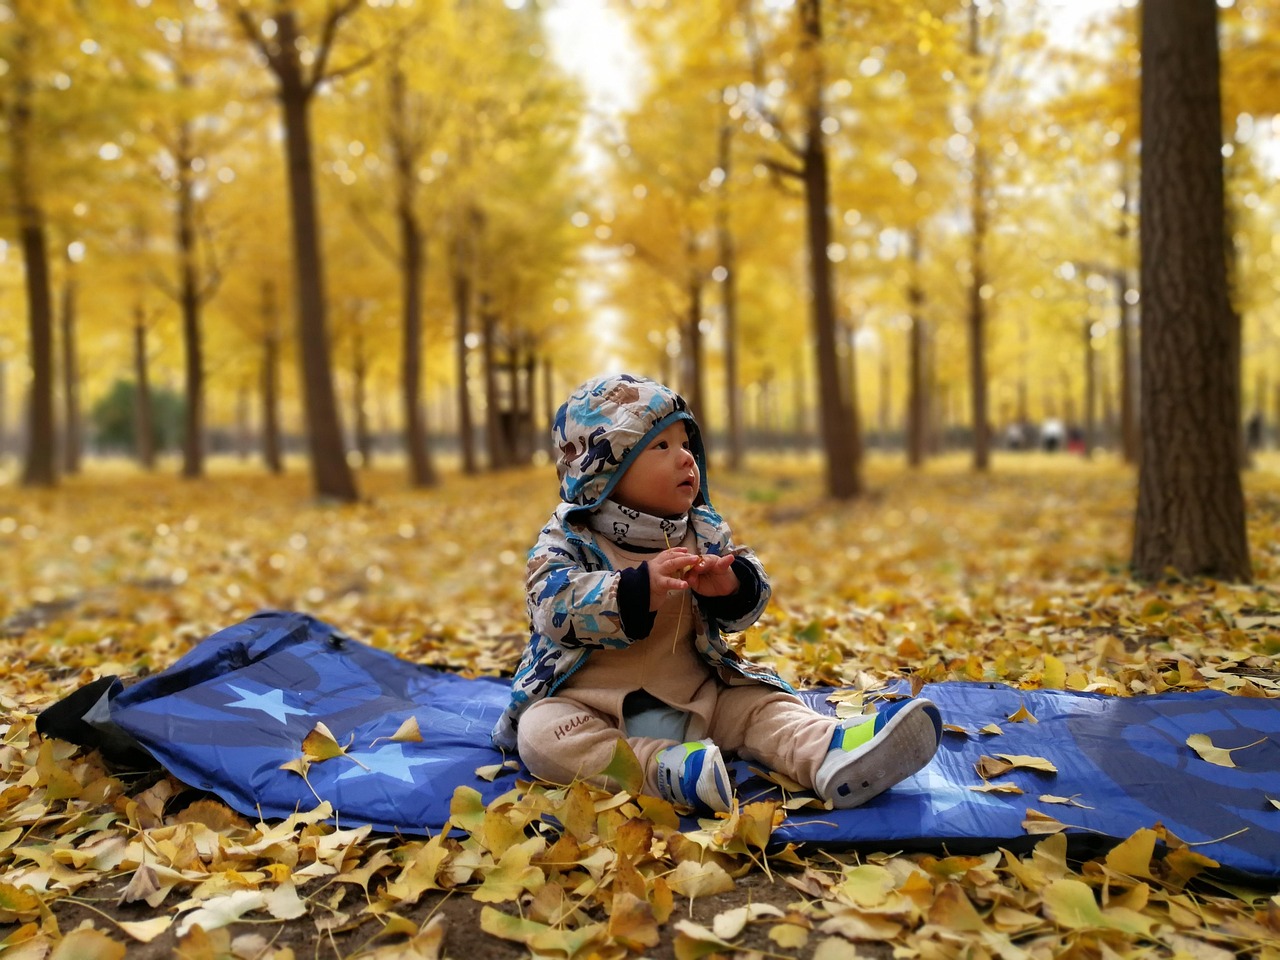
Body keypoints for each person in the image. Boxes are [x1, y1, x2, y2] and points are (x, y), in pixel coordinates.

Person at [491, 373, 942, 813]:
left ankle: (829, 750)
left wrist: (731, 586)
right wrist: (632, 591)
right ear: (606, 470)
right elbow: (549, 603)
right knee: (542, 735)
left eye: (686, 444)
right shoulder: (570, 536)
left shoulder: (703, 530)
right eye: (661, 447)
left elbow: (748, 598)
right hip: (591, 705)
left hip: (700, 698)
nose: (685, 458)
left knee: (762, 707)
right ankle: (665, 770)